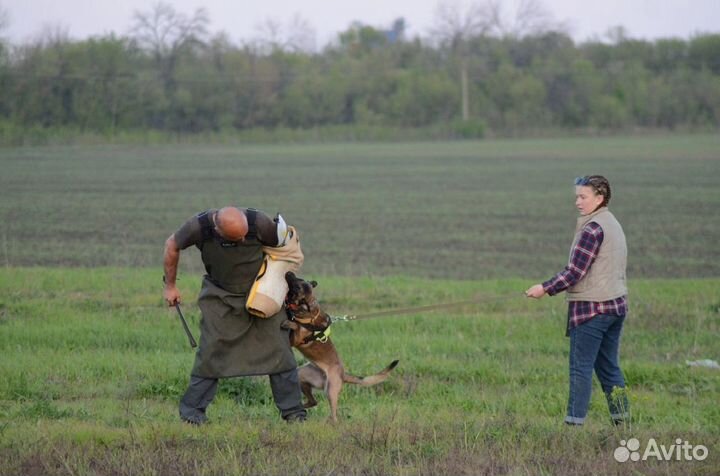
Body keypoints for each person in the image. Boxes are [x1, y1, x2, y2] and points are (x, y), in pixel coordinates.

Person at [163, 206, 307, 424]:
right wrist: (170, 286)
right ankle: (192, 415)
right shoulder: (199, 227)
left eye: (244, 236)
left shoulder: (259, 222)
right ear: (218, 230)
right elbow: (172, 245)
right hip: (220, 296)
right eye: (235, 239)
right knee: (210, 353)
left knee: (280, 350)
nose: (241, 241)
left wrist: (283, 287)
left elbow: (284, 251)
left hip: (261, 294)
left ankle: (294, 414)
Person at [525, 175, 629, 426]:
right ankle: (623, 424)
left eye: (583, 197)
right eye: (577, 196)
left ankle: (573, 426)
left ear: (600, 198)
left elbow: (574, 272)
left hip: (592, 309)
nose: (577, 202)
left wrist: (544, 288)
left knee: (580, 369)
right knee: (609, 368)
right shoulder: (611, 222)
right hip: (616, 305)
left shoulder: (592, 229)